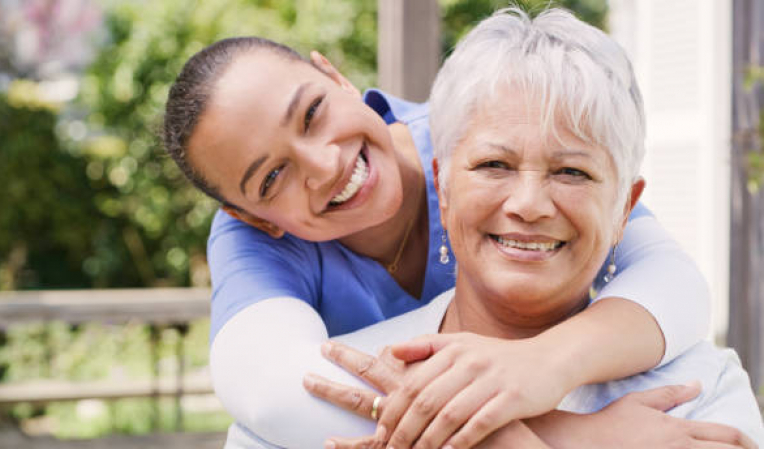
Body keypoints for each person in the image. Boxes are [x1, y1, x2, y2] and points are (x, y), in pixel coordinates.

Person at [163, 10, 713, 449]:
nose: (325, 163)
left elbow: (672, 281)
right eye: (274, 177)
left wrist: (543, 364)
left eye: (312, 113)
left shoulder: (491, 138)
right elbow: (272, 393)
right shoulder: (253, 245)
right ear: (254, 217)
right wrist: (568, 436)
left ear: (336, 77)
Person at [293, 7, 763, 448]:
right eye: (495, 164)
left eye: (571, 172)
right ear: (443, 184)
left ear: (625, 208)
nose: (529, 205)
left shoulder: (699, 391)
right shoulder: (339, 387)